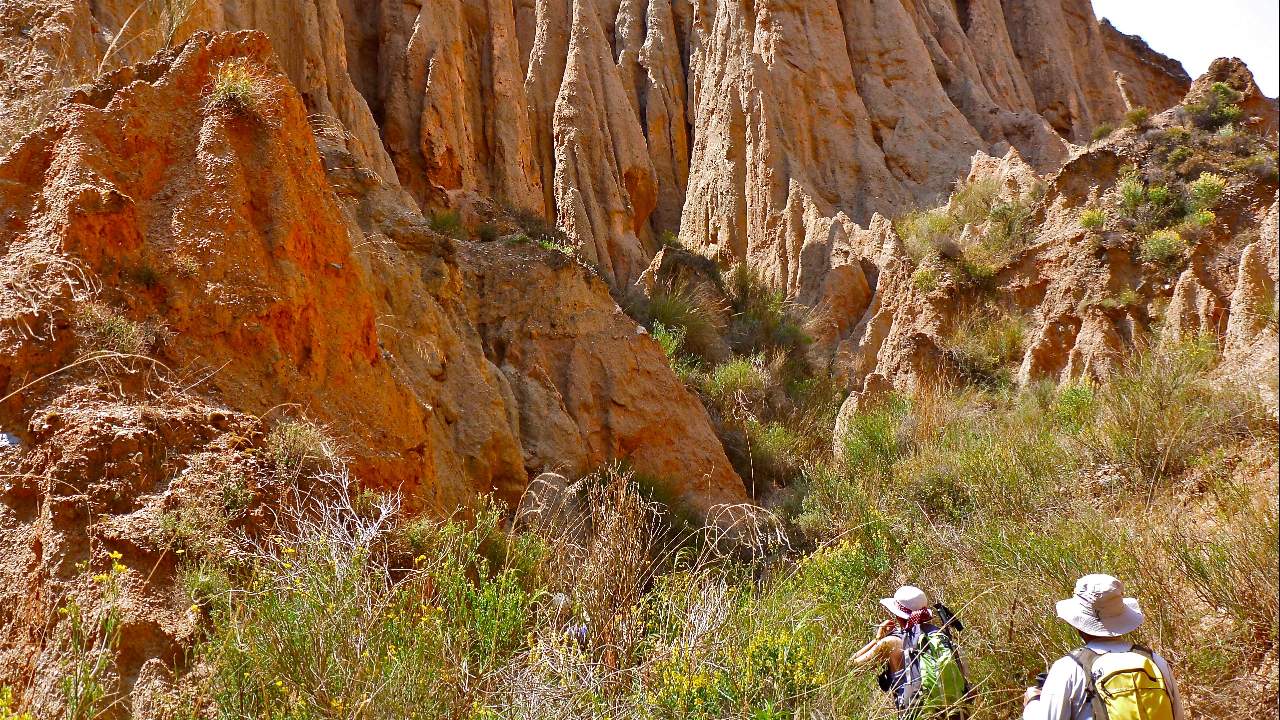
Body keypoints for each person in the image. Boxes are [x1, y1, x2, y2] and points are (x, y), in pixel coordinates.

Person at [1023, 574, 1185, 720]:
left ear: (1079, 624)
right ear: (1122, 619)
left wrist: (1033, 701)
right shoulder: (1156, 662)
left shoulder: (1069, 668)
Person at [853, 586, 969, 720]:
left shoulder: (891, 642)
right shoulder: (940, 634)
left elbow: (853, 667)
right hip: (955, 712)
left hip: (917, 714)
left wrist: (877, 639)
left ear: (898, 615)